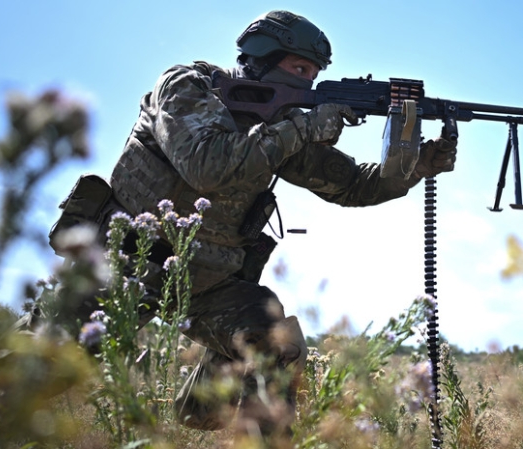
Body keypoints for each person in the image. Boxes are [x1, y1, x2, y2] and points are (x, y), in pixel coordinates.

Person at [44, 9, 456, 440]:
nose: (306, 82)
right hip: (125, 264)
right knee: (33, 375)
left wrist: (417, 167)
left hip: (209, 284)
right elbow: (207, 164)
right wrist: (303, 127)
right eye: (299, 68)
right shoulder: (187, 86)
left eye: (313, 74)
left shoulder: (283, 125)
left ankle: (202, 412)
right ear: (261, 59)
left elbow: (350, 186)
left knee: (277, 344)